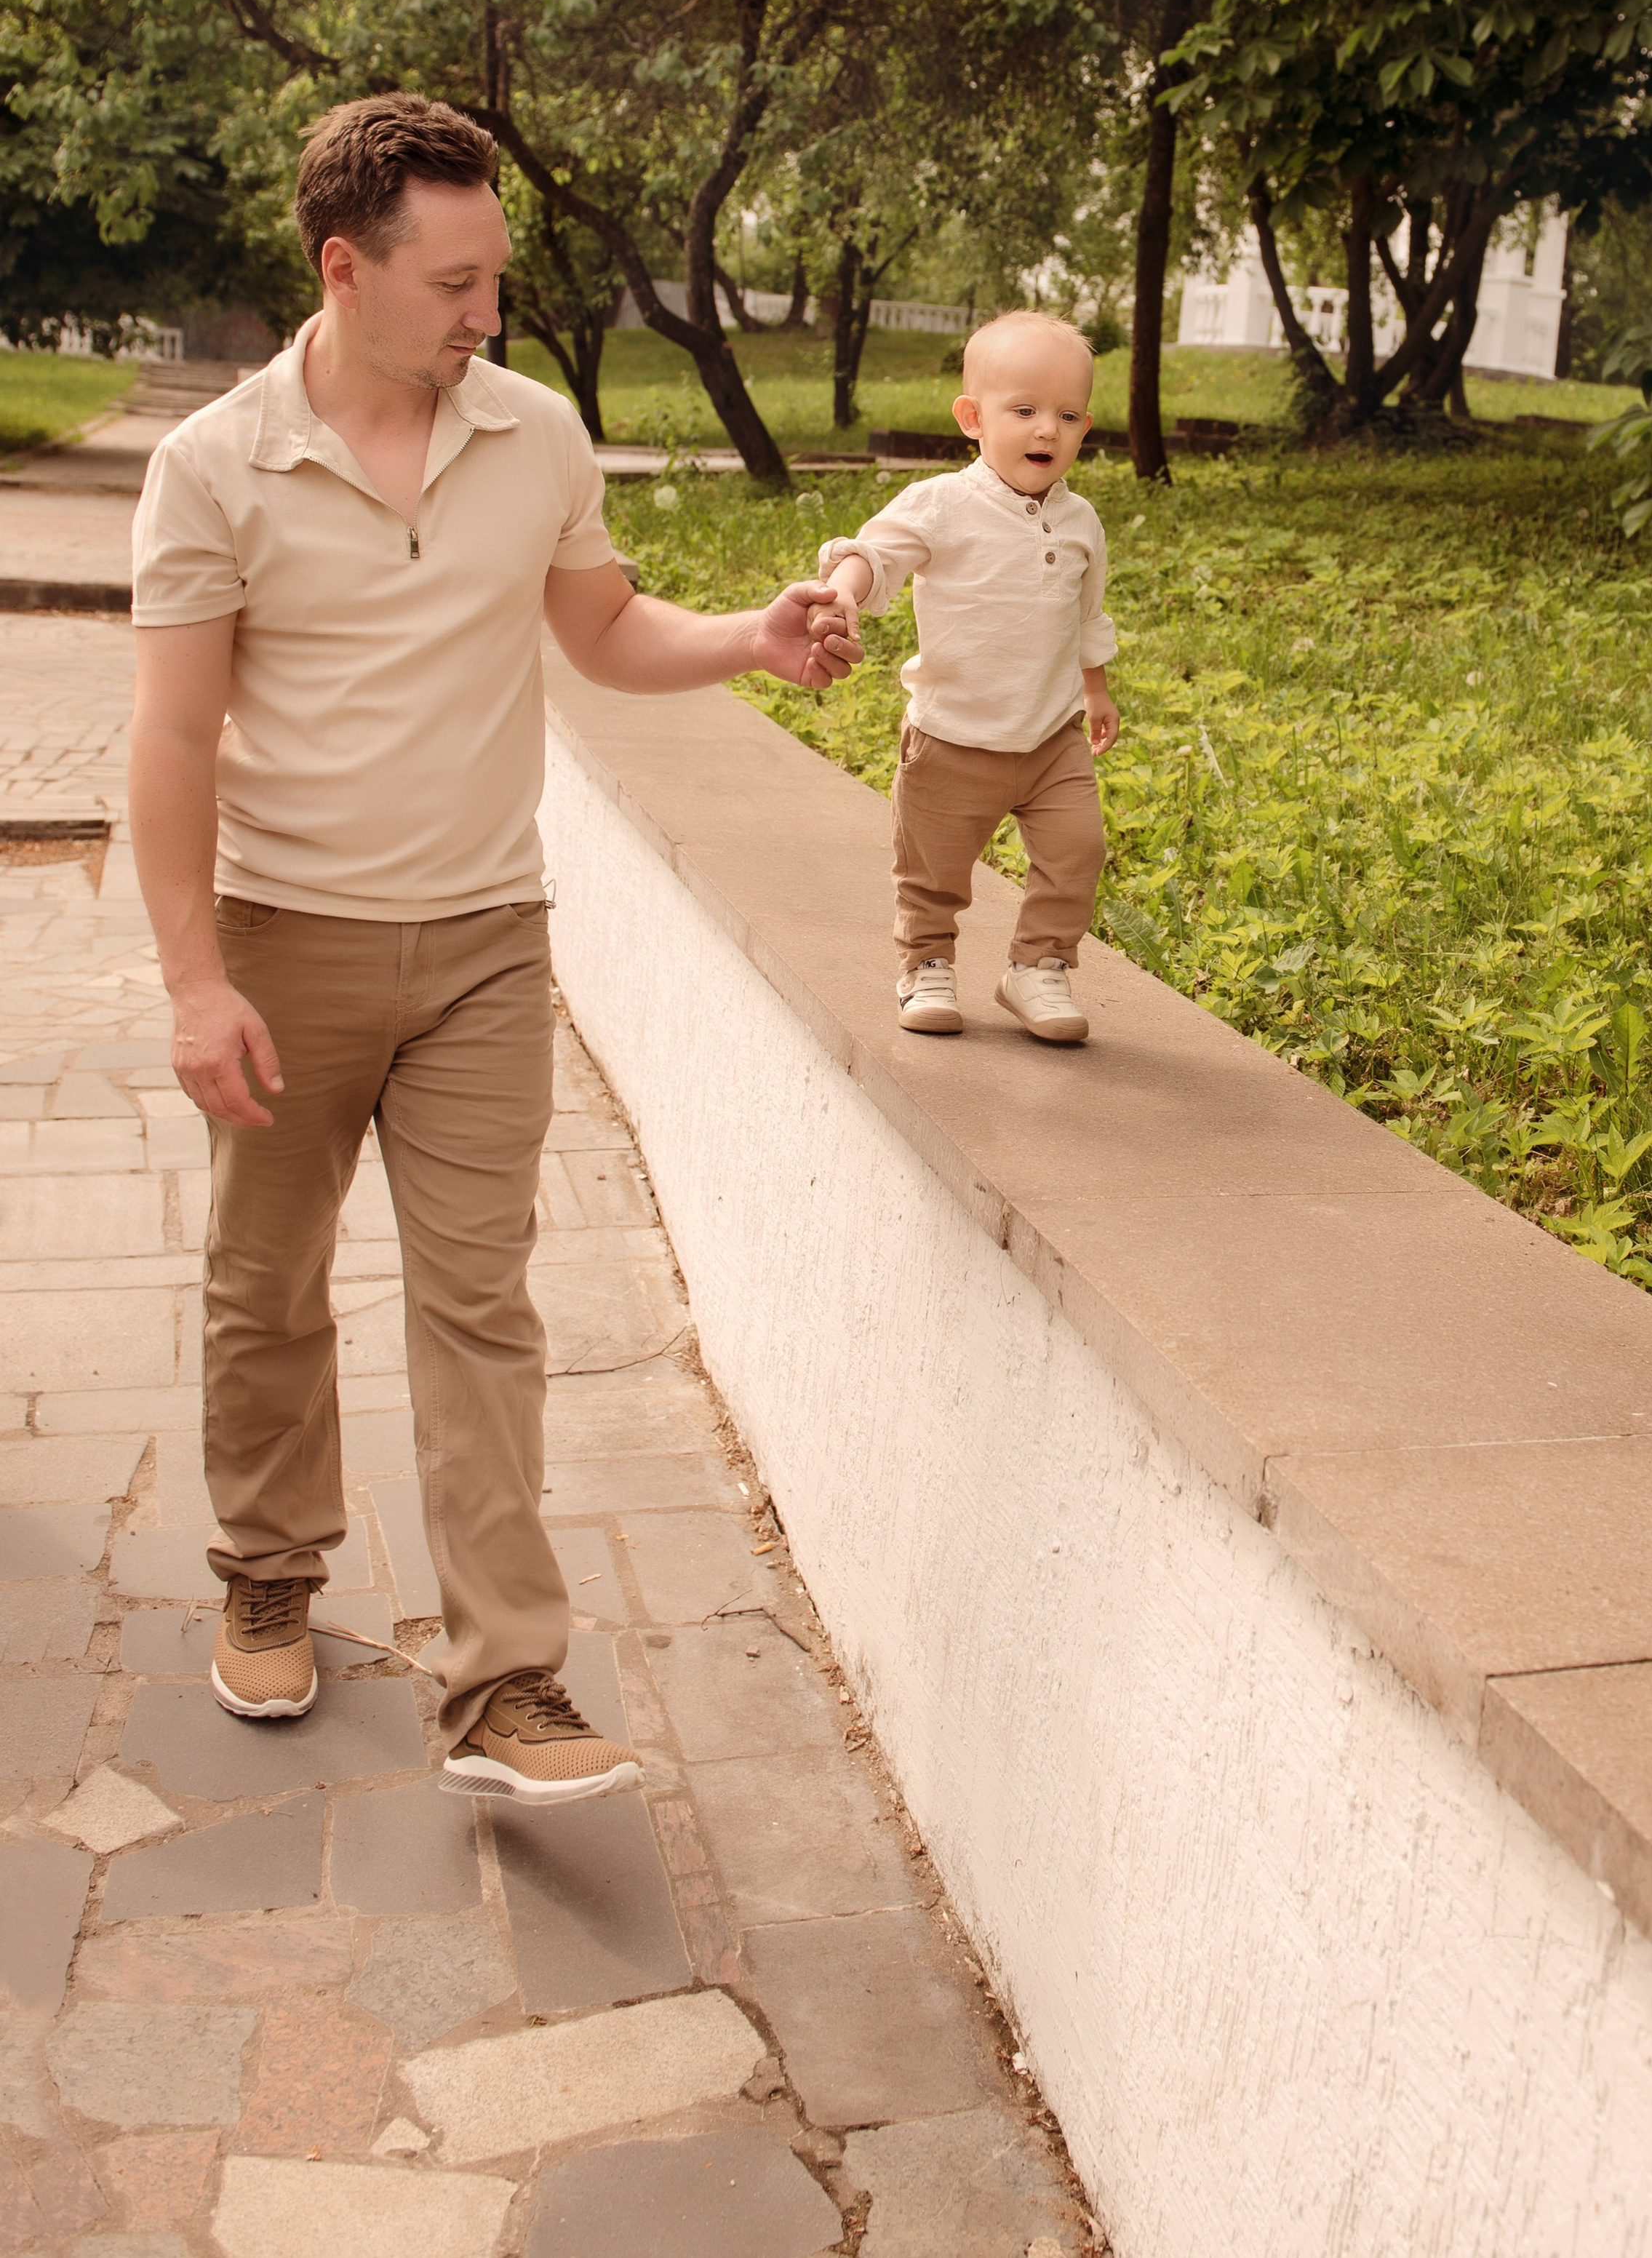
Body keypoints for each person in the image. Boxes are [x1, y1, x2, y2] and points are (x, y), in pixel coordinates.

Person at [128, 93, 856, 1806]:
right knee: (266, 1284)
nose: (487, 310)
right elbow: (168, 739)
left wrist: (752, 635)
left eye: (495, 275)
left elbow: (598, 626)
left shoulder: (530, 435)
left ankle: (507, 1675)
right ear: (344, 266)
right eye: (454, 280)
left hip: (477, 943)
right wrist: (193, 976)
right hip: (285, 934)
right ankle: (270, 1569)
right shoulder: (214, 463)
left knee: (481, 1305)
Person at [812, 310, 1118, 1045]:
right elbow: (876, 553)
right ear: (973, 418)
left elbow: (1087, 612)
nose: (1046, 430)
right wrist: (846, 590)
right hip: (952, 738)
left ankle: (1037, 966)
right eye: (1024, 411)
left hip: (1051, 738)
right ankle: (926, 964)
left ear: (1084, 427)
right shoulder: (943, 503)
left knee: (1079, 850)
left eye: (1066, 415)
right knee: (933, 873)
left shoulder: (1080, 522)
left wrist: (1096, 688)